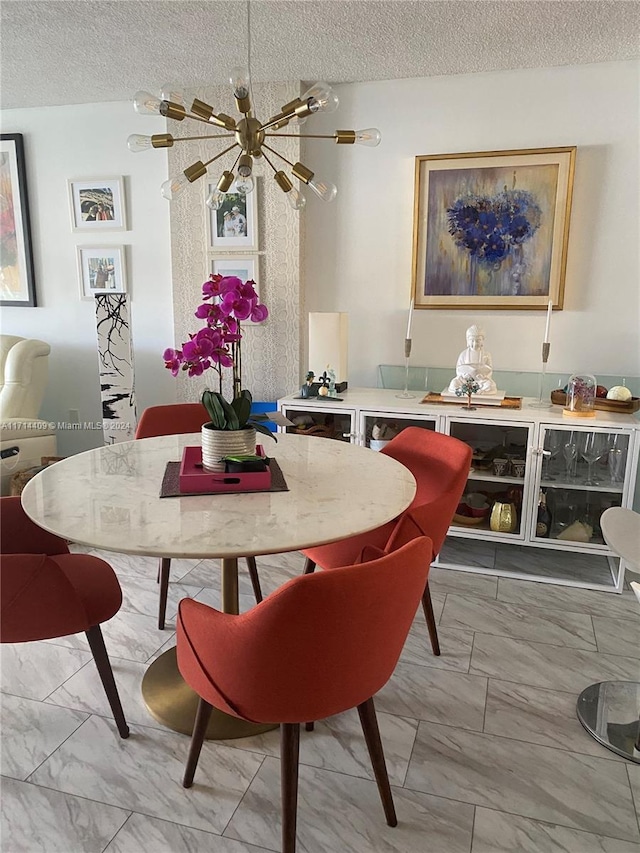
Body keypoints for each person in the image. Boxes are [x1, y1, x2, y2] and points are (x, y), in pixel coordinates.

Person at [448, 324, 498, 395]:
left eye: (478, 341)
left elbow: (489, 370)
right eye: (472, 340)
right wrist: (464, 375)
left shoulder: (486, 355)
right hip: (465, 381)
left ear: (482, 341)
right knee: (454, 383)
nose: (475, 343)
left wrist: (483, 377)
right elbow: (458, 370)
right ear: (467, 340)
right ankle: (466, 390)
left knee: (490, 385)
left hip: (480, 382)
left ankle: (479, 391)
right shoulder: (463, 354)